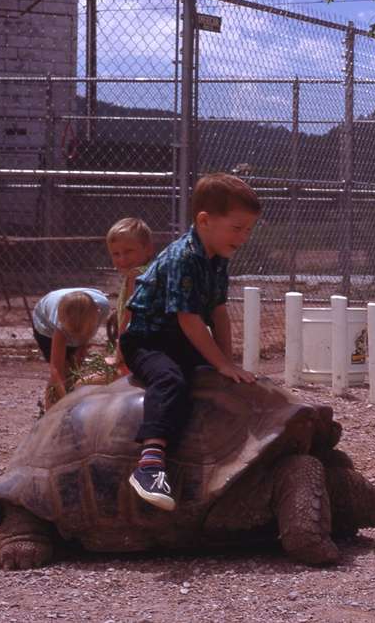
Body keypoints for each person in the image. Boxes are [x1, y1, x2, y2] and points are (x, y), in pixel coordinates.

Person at [120, 173, 260, 511]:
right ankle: (150, 464)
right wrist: (221, 362)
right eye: (237, 228)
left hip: (179, 339)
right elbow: (189, 319)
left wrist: (228, 364)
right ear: (204, 221)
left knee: (211, 379)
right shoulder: (183, 257)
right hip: (147, 339)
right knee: (170, 380)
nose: (243, 237)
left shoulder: (217, 259)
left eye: (249, 230)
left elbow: (218, 311)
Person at [31, 288, 112, 411]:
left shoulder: (102, 308)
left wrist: (81, 349)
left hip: (80, 315)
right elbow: (56, 369)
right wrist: (67, 402)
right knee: (63, 369)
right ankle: (50, 415)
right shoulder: (59, 321)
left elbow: (88, 331)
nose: (75, 338)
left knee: (75, 366)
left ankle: (67, 399)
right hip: (45, 325)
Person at [104, 217, 156, 376]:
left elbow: (129, 316)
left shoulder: (137, 275)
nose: (122, 259)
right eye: (116, 254)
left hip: (137, 348)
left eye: (128, 252)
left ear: (148, 249)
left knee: (82, 385)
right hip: (148, 346)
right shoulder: (151, 271)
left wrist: (119, 353)